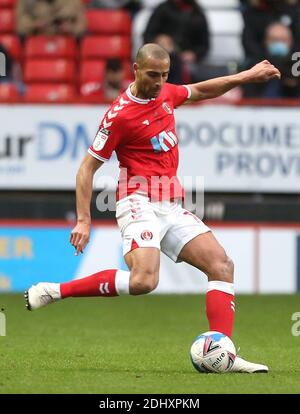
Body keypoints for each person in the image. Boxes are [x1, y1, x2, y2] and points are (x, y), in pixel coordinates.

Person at [25, 43, 280, 373]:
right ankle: (56, 291)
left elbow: (202, 89)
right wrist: (84, 221)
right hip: (137, 201)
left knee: (222, 265)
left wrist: (247, 75)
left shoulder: (166, 94)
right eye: (152, 75)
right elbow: (86, 168)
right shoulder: (119, 116)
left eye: (164, 75)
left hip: (168, 203)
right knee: (144, 281)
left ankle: (223, 351)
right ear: (135, 69)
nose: (159, 82)